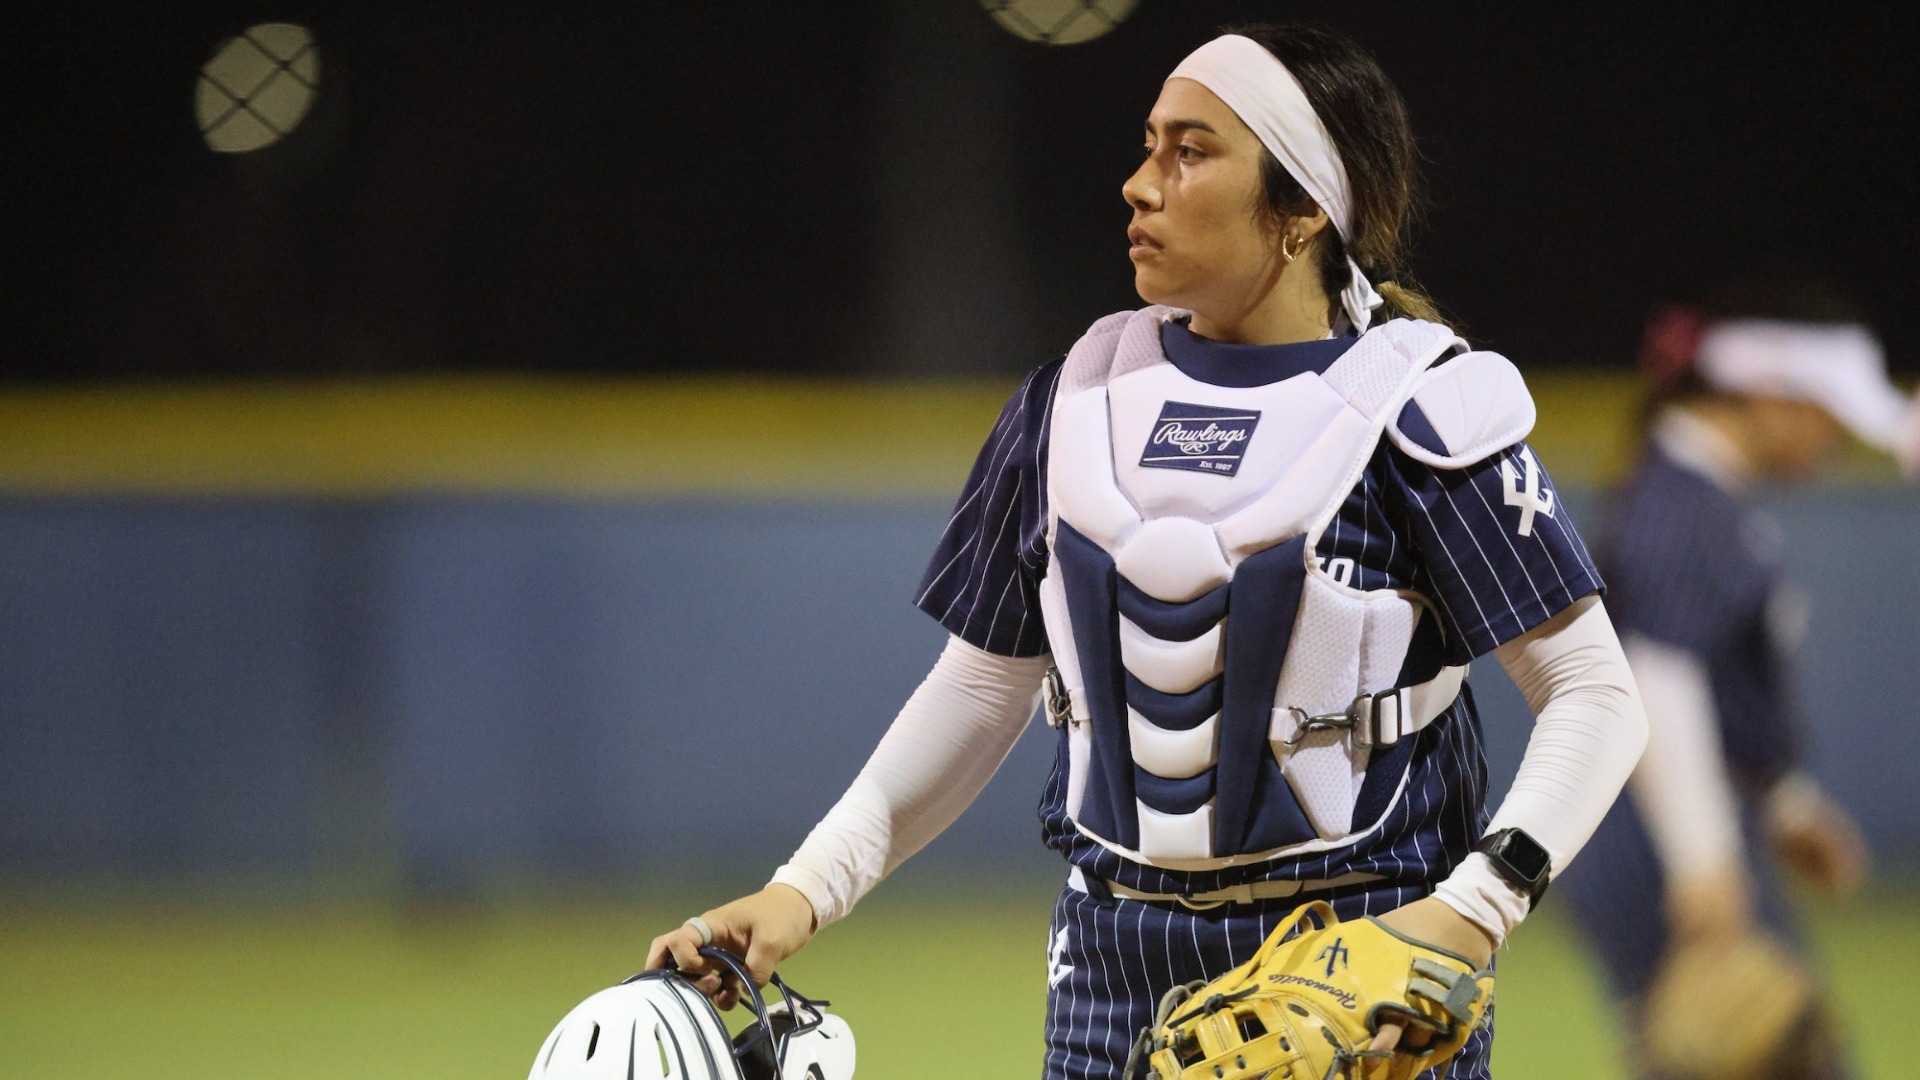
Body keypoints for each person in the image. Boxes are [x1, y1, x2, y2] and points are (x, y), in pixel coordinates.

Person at [648, 23, 1651, 1079]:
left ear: (1305, 207)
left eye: (1191, 151)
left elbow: (1596, 694)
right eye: (1147, 144)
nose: (1138, 184)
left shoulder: (1419, 406)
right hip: (1108, 975)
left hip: (1360, 971)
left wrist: (1465, 919)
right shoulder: (1072, 401)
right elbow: (982, 692)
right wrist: (802, 891)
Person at [1558, 278, 1920, 1080]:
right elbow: (1660, 676)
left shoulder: (1690, 492)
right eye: (1825, 411)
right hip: (1658, 842)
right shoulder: (1685, 502)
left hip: (1671, 832)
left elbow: (1715, 689)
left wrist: (1787, 805)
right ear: (1766, 394)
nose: (1833, 439)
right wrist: (1704, 863)